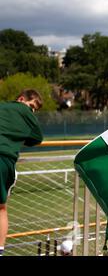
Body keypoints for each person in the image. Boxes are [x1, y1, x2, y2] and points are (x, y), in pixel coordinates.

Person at [0, 89, 43, 256]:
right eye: (31, 106)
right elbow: (37, 138)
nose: (32, 111)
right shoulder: (26, 113)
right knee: (1, 208)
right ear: (21, 99)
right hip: (3, 159)